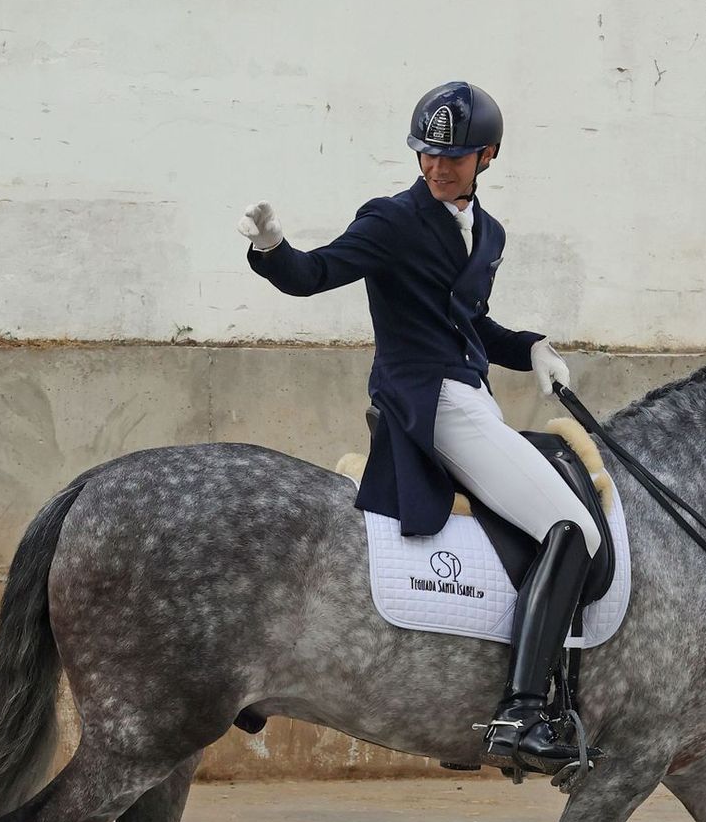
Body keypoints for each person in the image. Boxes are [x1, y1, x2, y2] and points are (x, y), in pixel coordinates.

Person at [240, 81, 602, 773]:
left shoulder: (489, 234)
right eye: (428, 155)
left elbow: (471, 324)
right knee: (574, 529)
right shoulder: (393, 220)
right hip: (428, 404)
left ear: (487, 156)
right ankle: (524, 711)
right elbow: (315, 274)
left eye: (454, 158)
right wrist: (272, 248)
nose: (437, 168)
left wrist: (531, 349)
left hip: (473, 399)